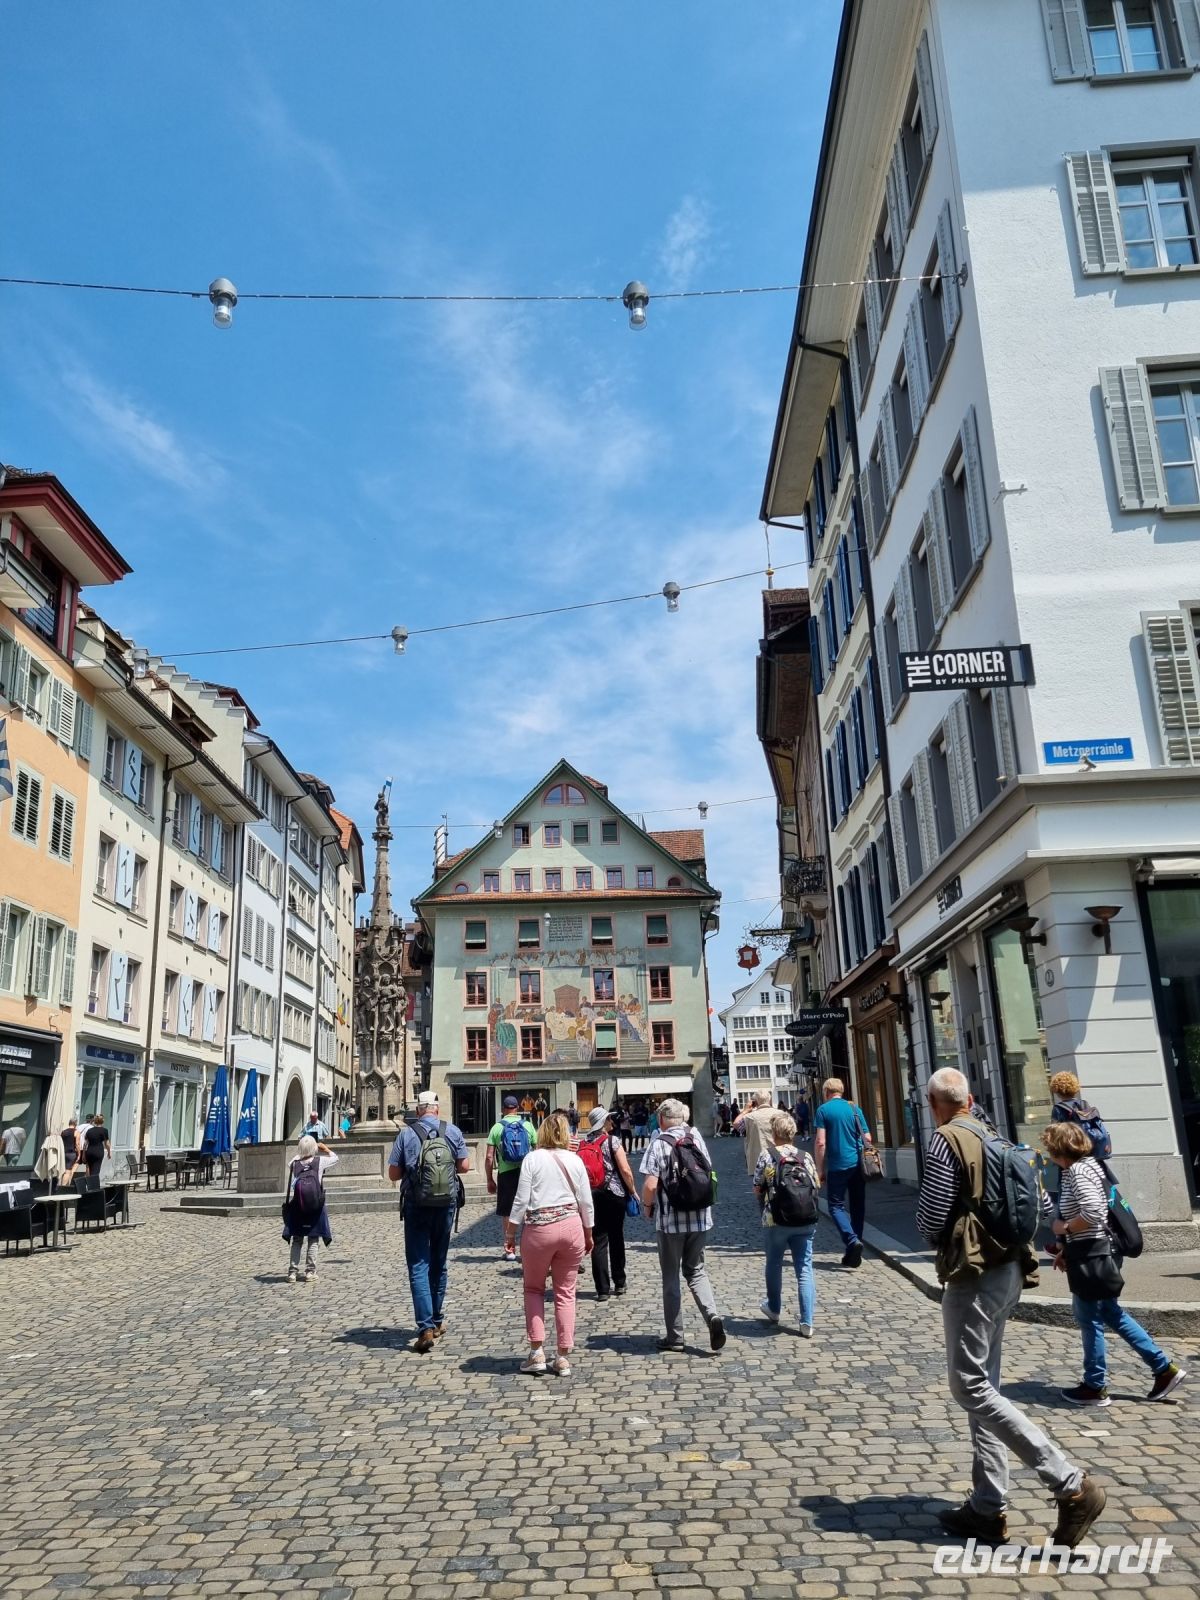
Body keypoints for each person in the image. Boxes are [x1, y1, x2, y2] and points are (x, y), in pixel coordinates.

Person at [917, 1067, 1105, 1550]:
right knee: (987, 1384)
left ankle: (1070, 1484)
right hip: (1010, 1269)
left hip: (973, 1271)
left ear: (935, 1103)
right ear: (971, 1097)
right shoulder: (997, 1137)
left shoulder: (946, 1140)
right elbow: (1042, 1204)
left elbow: (931, 1214)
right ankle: (986, 1507)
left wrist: (944, 1229)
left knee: (970, 1384)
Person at [1042, 1121, 1186, 1406]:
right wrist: (1066, 1251)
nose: (1048, 1155)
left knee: (1089, 1318)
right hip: (1090, 1251)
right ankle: (1163, 1369)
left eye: (1050, 1149)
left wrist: (1064, 1229)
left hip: (1093, 1253)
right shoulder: (1085, 1167)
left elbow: (1094, 1212)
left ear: (1060, 1150)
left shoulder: (1079, 1171)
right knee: (1110, 1312)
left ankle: (1095, 1386)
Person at [507, 1112, 594, 1376]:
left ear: (542, 1133)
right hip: (571, 1227)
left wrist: (511, 1233)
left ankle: (536, 1352)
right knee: (566, 1292)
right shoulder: (575, 1160)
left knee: (533, 1289)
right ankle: (563, 1357)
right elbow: (586, 1202)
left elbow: (521, 1199)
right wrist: (588, 1233)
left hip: (539, 1230)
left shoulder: (532, 1159)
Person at [640, 1097, 726, 1354]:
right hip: (700, 1217)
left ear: (663, 1119)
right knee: (696, 1270)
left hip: (670, 1221)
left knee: (671, 1277)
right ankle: (712, 1316)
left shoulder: (658, 1143)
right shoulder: (696, 1138)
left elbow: (650, 1185)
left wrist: (648, 1207)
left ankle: (675, 1336)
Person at [388, 1090, 470, 1352]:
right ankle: (436, 1320)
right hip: (446, 1205)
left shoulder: (406, 1134)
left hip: (416, 1205)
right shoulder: (452, 1131)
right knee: (439, 1263)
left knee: (418, 1264)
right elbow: (465, 1166)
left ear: (418, 1110)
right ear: (436, 1108)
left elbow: (393, 1173)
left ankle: (425, 1327)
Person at [753, 1111, 820, 1337]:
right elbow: (816, 1184)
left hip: (776, 1219)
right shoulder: (805, 1156)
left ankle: (774, 1308)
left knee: (774, 1263)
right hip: (805, 1218)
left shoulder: (767, 1155)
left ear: (774, 1133)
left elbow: (756, 1186)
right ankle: (807, 1321)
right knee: (805, 1268)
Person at [577, 1105, 638, 1300]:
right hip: (614, 1194)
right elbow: (626, 1170)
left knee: (599, 1240)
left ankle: (602, 1289)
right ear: (603, 1122)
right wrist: (633, 1191)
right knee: (616, 1237)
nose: (612, 1121)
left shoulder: (583, 1143)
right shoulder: (612, 1141)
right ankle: (619, 1282)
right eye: (609, 1119)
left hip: (592, 1194)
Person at [813, 1079, 871, 1268]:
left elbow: (821, 1142)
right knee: (857, 1207)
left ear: (827, 1091)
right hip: (858, 1164)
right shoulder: (854, 1109)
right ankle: (853, 1254)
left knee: (835, 1206)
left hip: (838, 1165)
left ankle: (852, 1241)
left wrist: (819, 1170)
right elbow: (867, 1137)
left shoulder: (823, 1110)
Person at [486, 1094, 538, 1262]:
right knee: (528, 1209)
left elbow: (488, 1157)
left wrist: (489, 1179)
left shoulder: (497, 1127)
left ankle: (509, 1250)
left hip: (505, 1173)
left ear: (503, 1109)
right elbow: (538, 1152)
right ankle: (528, 1249)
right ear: (518, 1108)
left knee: (508, 1211)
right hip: (526, 1172)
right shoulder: (528, 1126)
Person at [282, 1136, 338, 1283]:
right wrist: (325, 1149)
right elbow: (335, 1158)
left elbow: (291, 1162)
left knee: (297, 1239)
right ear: (314, 1148)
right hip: (315, 1206)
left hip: (298, 1206)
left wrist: (301, 1152)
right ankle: (310, 1272)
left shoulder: (294, 1164)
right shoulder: (319, 1161)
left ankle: (292, 1273)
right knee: (313, 1238)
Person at [731, 1090, 776, 1176]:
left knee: (760, 1187)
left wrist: (745, 1110)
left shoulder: (750, 1117)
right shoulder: (781, 1114)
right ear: (769, 1100)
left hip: (758, 1160)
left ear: (755, 1102)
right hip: (778, 1159)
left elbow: (736, 1124)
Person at [81, 1114, 110, 1179]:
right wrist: (109, 1152)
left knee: (90, 1169)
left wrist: (83, 1155)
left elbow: (85, 1143)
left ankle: (89, 1185)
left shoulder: (89, 1130)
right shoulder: (104, 1130)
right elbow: (107, 1143)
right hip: (98, 1151)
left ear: (95, 1121)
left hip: (89, 1151)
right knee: (96, 1170)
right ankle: (94, 1187)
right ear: (102, 1122)